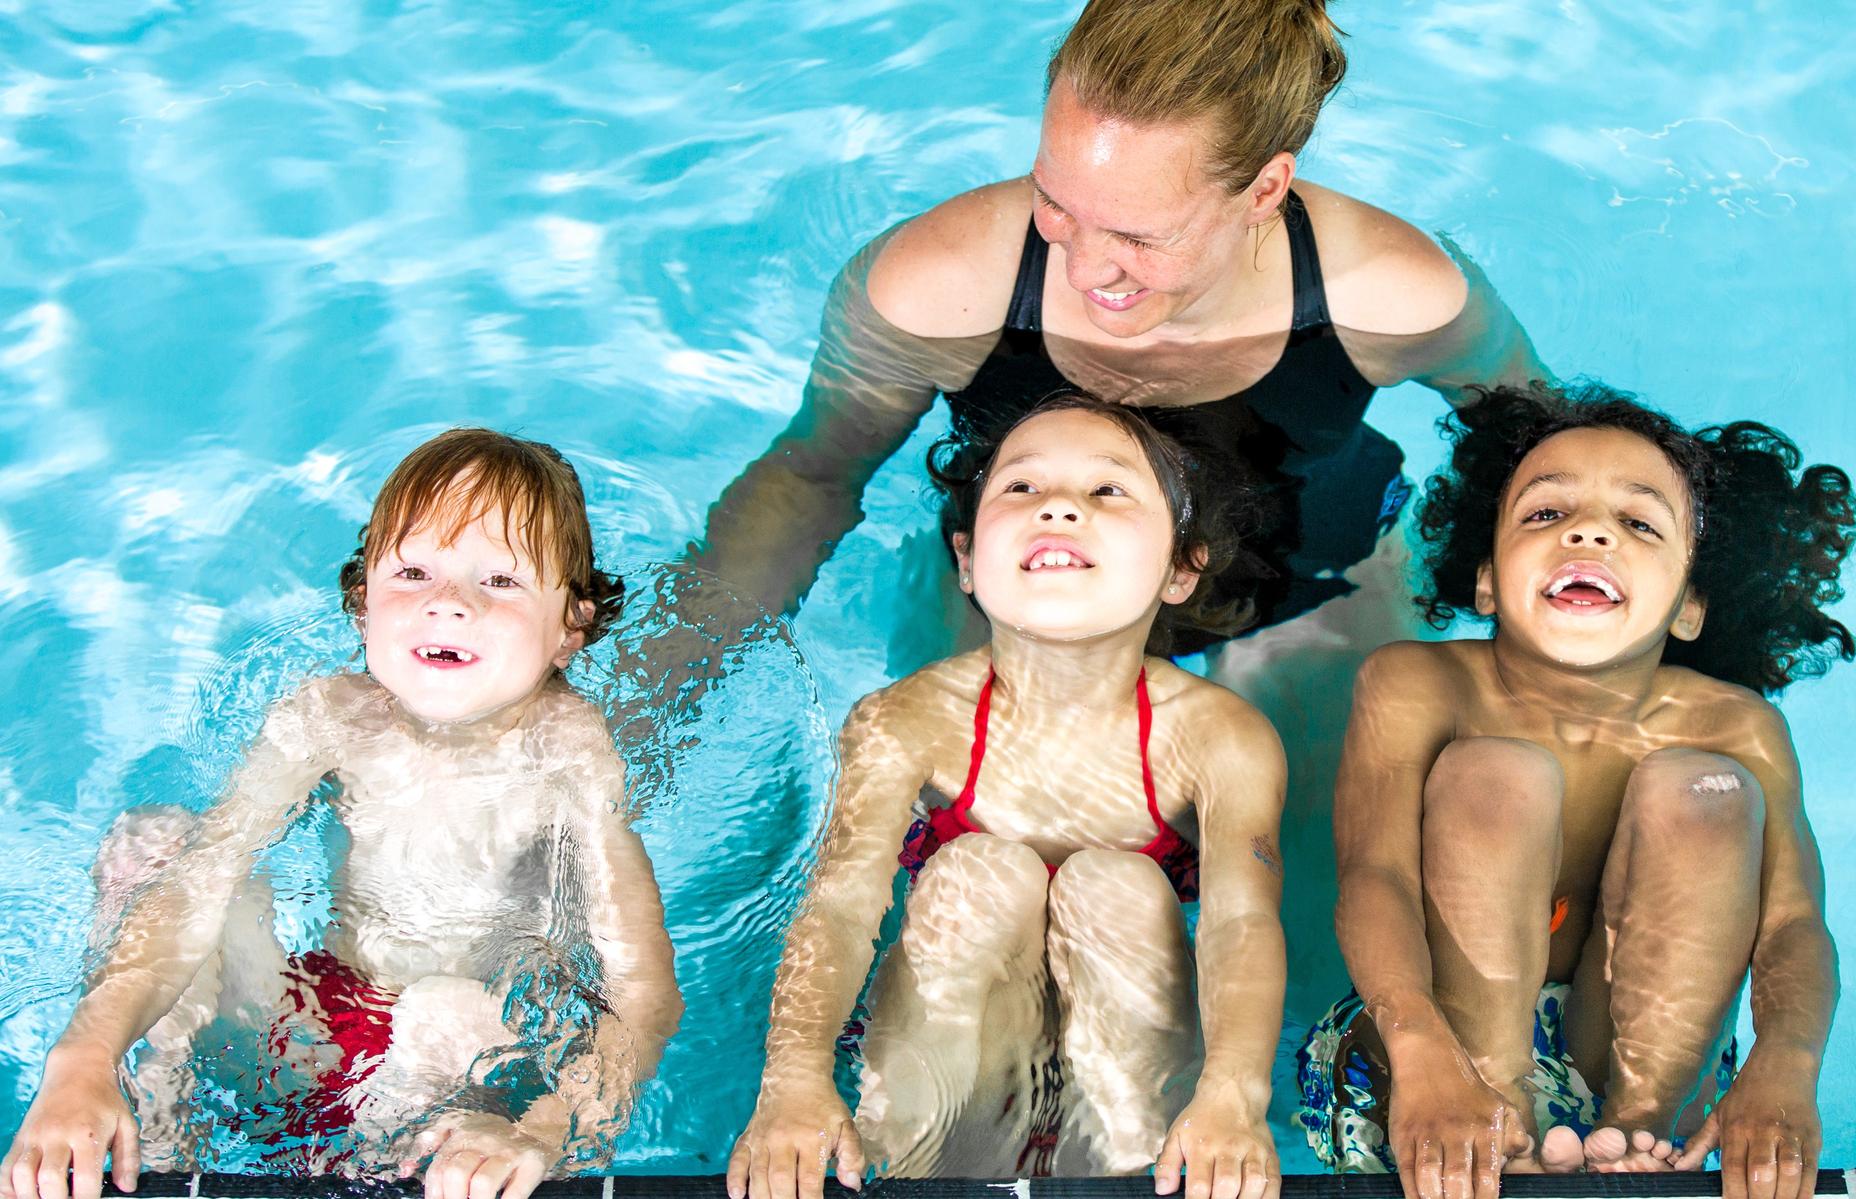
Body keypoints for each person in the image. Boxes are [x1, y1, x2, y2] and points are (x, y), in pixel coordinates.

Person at [683, 0, 1548, 1013]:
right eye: (1057, 203)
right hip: (1017, 595)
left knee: (1331, 917)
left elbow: (1546, 460)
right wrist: (680, 673)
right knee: (964, 929)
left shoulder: (1391, 293)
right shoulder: (940, 282)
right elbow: (813, 473)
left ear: (1266, 187)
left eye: (1140, 234)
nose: (1086, 266)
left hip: (1312, 582)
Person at [1, 429, 683, 1199]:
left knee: (443, 1006)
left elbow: (643, 995)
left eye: (498, 579)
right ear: (365, 605)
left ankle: (446, 1169)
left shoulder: (569, 753)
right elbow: (202, 885)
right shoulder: (330, 714)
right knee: (153, 843)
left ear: (570, 628)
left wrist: (538, 1126)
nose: (447, 602)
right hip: (305, 1033)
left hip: (450, 1078)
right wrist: (81, 1059)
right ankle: (152, 1133)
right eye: (414, 571)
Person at [1305, 383, 1856, 1199]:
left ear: (1691, 604)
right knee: (1497, 773)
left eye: (1638, 524)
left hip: (1637, 1051)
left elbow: (1790, 926)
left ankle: (1637, 1141)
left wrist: (1786, 1065)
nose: (1589, 530)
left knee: (1708, 789)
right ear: (1486, 580)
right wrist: (1424, 1052)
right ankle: (1497, 1122)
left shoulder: (1735, 723)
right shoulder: (1419, 684)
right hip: (1422, 1048)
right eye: (1543, 514)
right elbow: (1374, 877)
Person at [726, 398, 1288, 1197]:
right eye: (1021, 489)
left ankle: (1132, 1171)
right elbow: (839, 907)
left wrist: (1234, 1095)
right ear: (965, 557)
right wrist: (793, 1079)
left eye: (1108, 492)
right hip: (957, 1055)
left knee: (1117, 885)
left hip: (1124, 1075)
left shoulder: (1218, 738)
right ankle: (922, 1173)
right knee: (978, 874)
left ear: (1180, 568)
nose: (1059, 506)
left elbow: (1242, 919)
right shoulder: (904, 720)